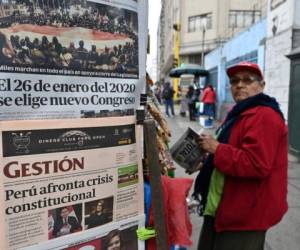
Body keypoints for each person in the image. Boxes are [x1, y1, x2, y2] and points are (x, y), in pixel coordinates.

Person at [194, 61, 288, 250]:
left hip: (244, 217)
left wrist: (217, 149)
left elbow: (257, 164)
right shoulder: (240, 113)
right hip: (222, 209)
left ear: (261, 85)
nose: (239, 85)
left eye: (247, 80)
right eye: (235, 81)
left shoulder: (264, 116)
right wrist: (208, 161)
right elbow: (233, 149)